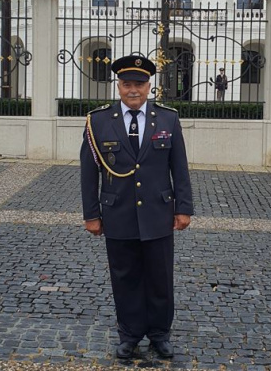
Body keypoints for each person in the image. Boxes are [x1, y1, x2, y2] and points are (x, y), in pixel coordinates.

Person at [80, 54, 194, 360]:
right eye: (127, 84)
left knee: (160, 278)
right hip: (118, 213)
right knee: (125, 277)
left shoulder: (168, 119)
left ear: (149, 87)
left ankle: (159, 334)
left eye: (140, 84)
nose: (134, 90)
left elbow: (179, 167)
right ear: (118, 86)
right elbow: (89, 173)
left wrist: (184, 208)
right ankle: (129, 333)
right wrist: (91, 214)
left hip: (158, 212)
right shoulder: (98, 121)